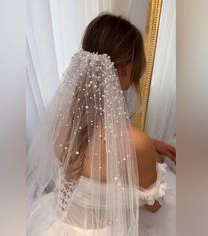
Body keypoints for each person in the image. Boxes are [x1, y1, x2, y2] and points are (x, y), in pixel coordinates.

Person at [27, 13, 175, 236]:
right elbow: (154, 206)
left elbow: (91, 143)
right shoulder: (136, 144)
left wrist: (149, 144)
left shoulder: (62, 118)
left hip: (55, 224)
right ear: (126, 70)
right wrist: (154, 157)